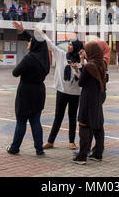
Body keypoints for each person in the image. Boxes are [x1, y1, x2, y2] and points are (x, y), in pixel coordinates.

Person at [35, 27, 84, 151]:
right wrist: (42, 34)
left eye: (71, 45)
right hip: (62, 91)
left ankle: (71, 142)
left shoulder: (82, 61)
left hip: (75, 93)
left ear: (77, 47)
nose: (69, 46)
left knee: (73, 117)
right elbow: (51, 45)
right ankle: (50, 141)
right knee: (58, 117)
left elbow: (82, 79)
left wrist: (77, 69)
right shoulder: (62, 55)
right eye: (68, 44)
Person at [7, 22, 50, 157]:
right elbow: (38, 41)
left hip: (26, 92)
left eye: (30, 41)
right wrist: (24, 31)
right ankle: (39, 149)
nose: (28, 43)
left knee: (21, 121)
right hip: (39, 91)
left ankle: (14, 147)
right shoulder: (45, 58)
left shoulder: (29, 58)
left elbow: (15, 73)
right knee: (36, 121)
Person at [73, 42, 107, 165]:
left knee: (84, 126)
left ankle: (82, 156)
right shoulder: (102, 63)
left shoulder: (89, 67)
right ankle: (98, 153)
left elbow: (81, 82)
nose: (85, 52)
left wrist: (79, 68)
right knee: (98, 126)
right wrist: (83, 60)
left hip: (87, 99)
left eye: (86, 50)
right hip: (98, 97)